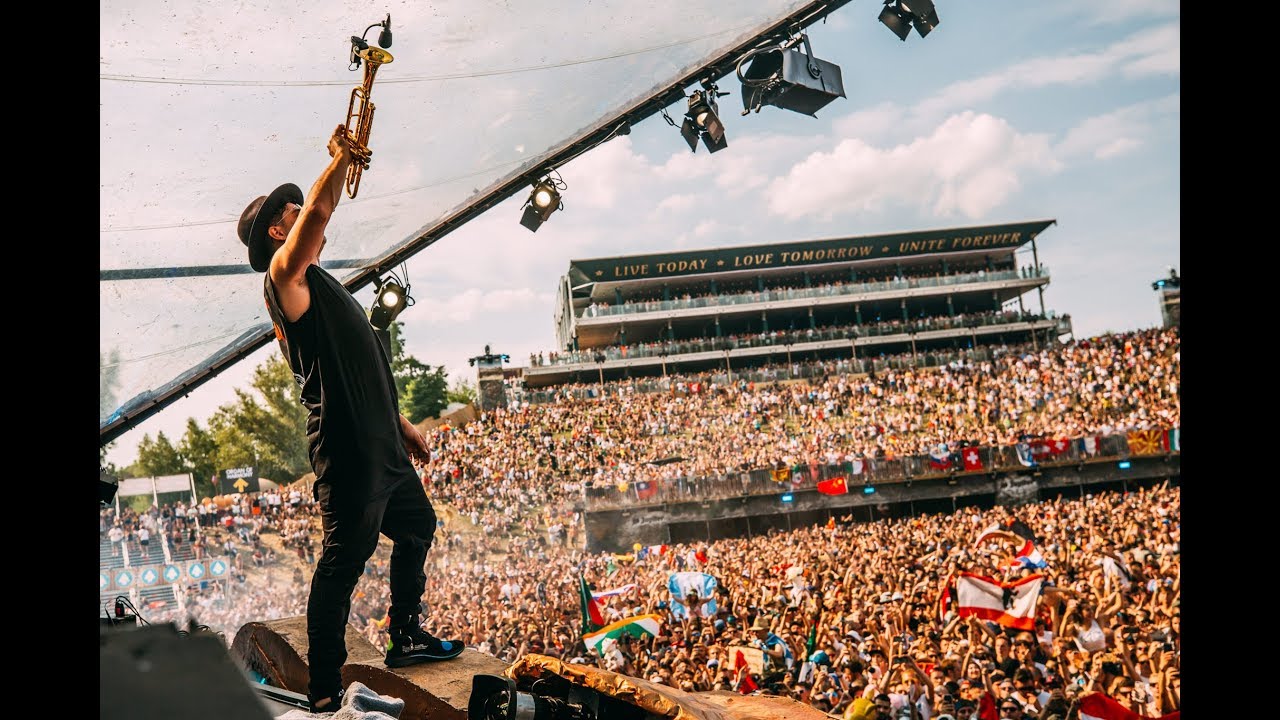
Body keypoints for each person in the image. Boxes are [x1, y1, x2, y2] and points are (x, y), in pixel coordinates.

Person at [236, 124, 462, 713]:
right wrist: (337, 162)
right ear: (278, 233)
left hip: (381, 440)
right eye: (290, 209)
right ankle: (325, 689)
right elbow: (318, 213)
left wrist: (402, 421)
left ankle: (406, 634)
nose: (299, 208)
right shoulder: (283, 280)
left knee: (417, 526)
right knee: (341, 565)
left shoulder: (321, 283)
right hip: (350, 451)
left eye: (296, 201)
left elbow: (364, 363)